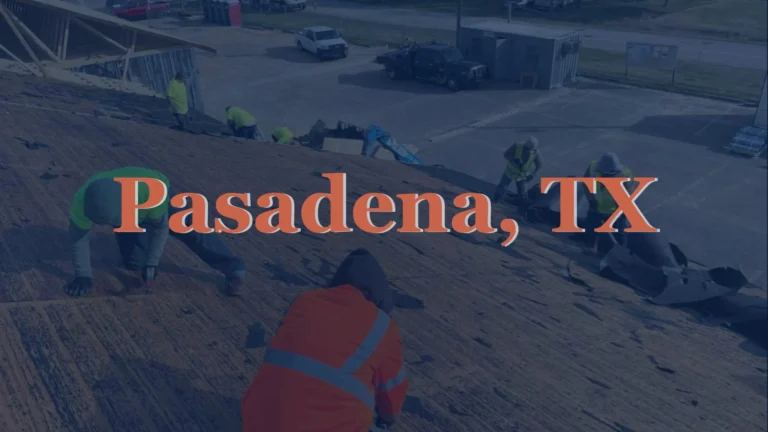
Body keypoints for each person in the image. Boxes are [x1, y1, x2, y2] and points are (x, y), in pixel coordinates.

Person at [241, 249, 408, 432]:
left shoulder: (305, 301)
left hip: (256, 423)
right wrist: (386, 420)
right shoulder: (382, 325)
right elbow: (392, 394)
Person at [64, 167, 247, 297]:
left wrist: (152, 263)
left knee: (192, 231)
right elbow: (78, 240)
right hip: (129, 208)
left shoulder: (151, 191)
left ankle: (234, 267)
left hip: (158, 197)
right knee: (134, 263)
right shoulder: (82, 202)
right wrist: (83, 276)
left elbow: (161, 228)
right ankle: (137, 241)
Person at [582, 152, 635, 249]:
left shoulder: (625, 175)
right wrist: (591, 200)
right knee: (590, 229)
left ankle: (618, 252)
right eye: (604, 175)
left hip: (614, 209)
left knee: (619, 233)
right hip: (596, 207)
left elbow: (628, 195)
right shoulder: (593, 168)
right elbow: (585, 183)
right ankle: (589, 247)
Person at [493, 136, 542, 203]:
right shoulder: (517, 145)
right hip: (510, 171)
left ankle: (521, 206)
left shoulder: (535, 153)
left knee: (522, 193)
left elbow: (539, 165)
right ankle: (495, 200)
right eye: (527, 150)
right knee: (502, 187)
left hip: (521, 175)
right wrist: (514, 160)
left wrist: (533, 175)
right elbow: (506, 154)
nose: (528, 152)